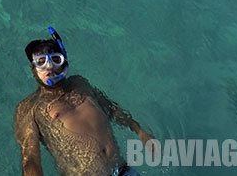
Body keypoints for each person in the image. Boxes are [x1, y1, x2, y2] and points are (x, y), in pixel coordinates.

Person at [14, 29, 153, 176]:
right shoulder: (29, 107)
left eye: (55, 59)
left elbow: (111, 109)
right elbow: (30, 158)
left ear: (64, 61)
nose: (49, 66)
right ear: (33, 68)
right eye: (41, 62)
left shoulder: (80, 83)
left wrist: (139, 131)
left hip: (124, 170)